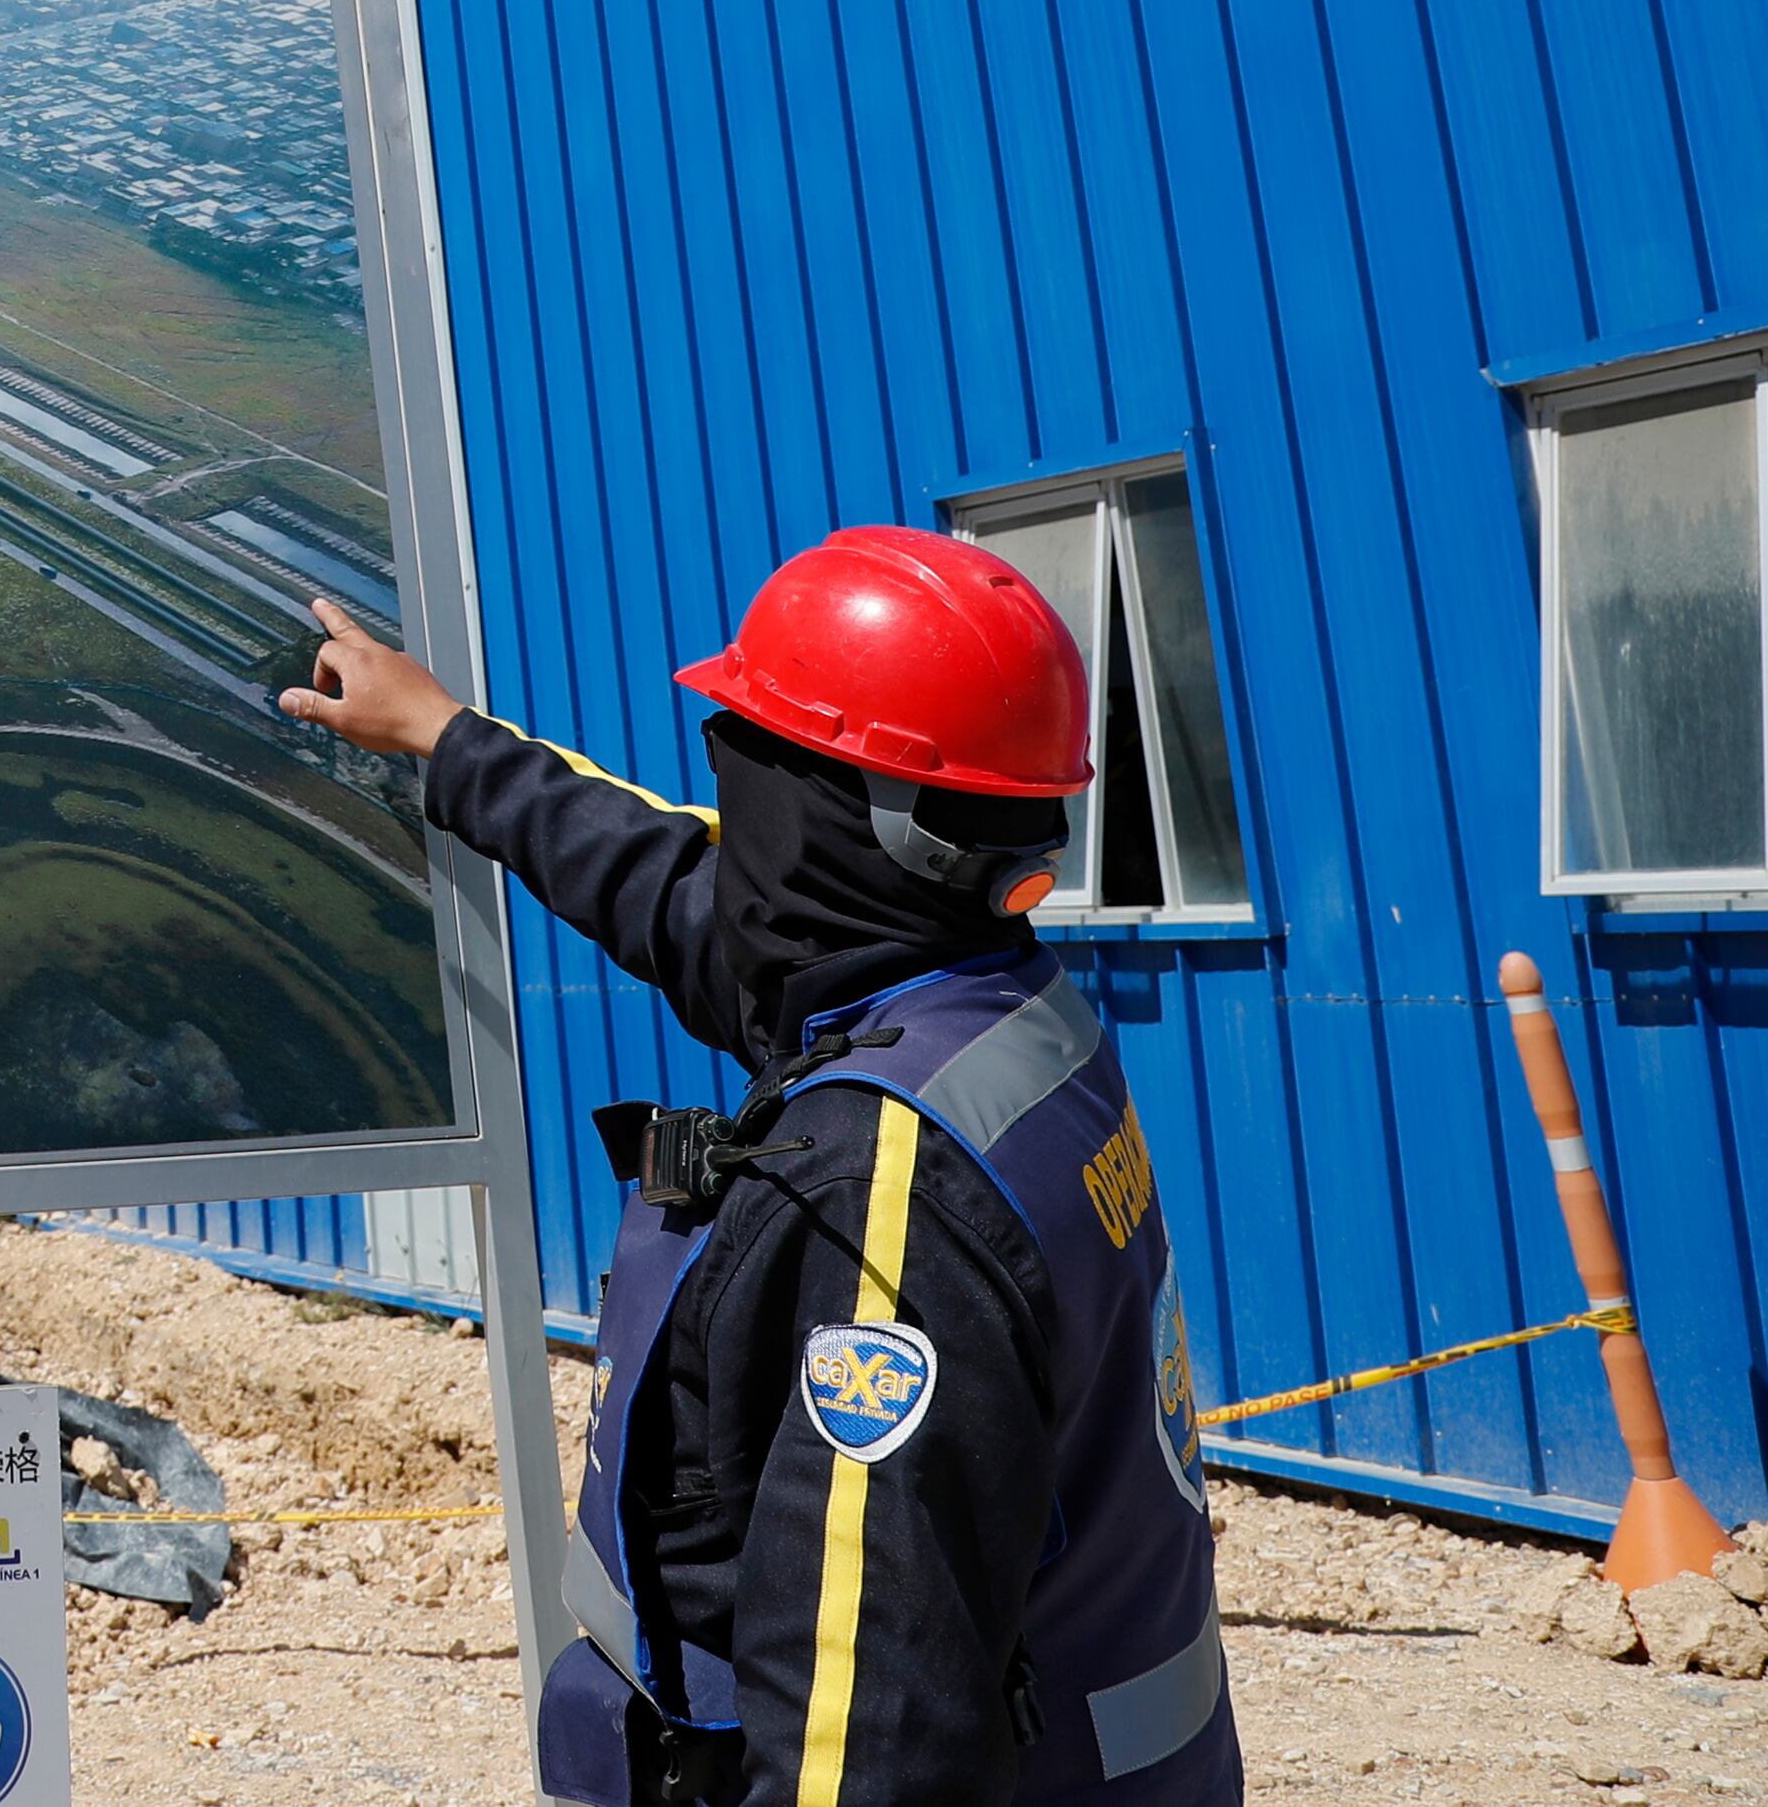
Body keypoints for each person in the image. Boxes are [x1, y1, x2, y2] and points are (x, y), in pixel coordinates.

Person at [282, 527, 1236, 1807]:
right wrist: (447, 742)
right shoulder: (972, 1000)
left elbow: (870, 1714)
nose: (729, 818)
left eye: (752, 765)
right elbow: (676, 892)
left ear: (824, 811)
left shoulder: (885, 1189)